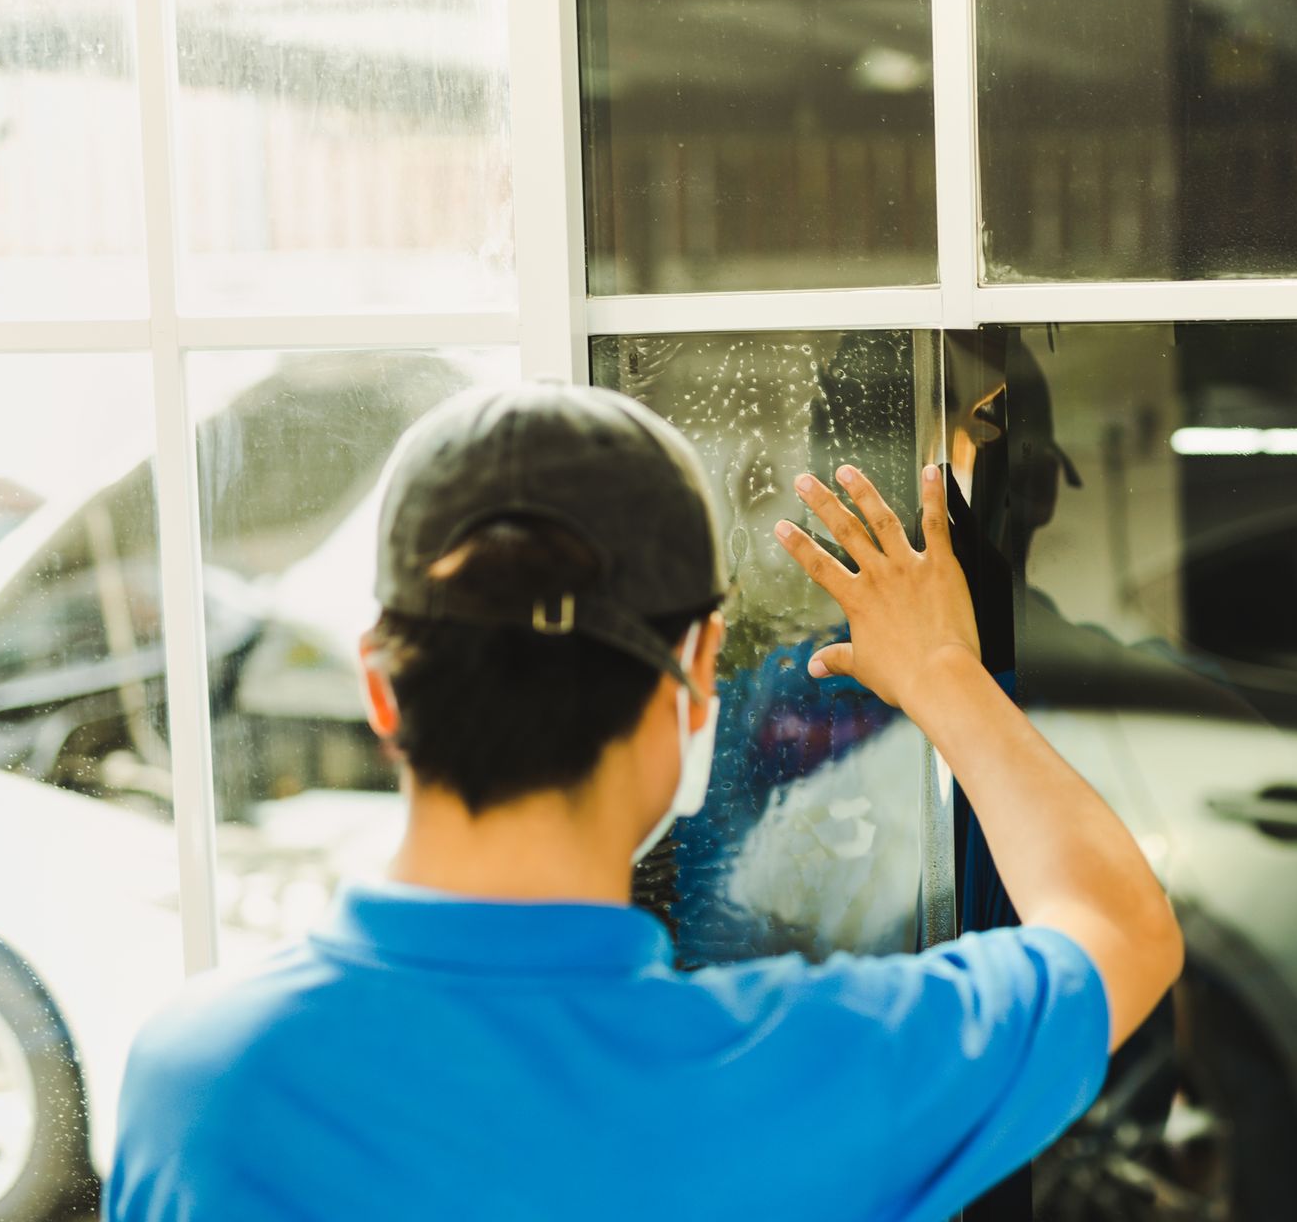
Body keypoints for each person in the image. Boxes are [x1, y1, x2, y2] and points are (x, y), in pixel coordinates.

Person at [106, 384, 1184, 1222]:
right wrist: (944, 670)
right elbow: (1118, 926)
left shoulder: (201, 1084)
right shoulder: (801, 1076)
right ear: (700, 676)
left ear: (383, 686)